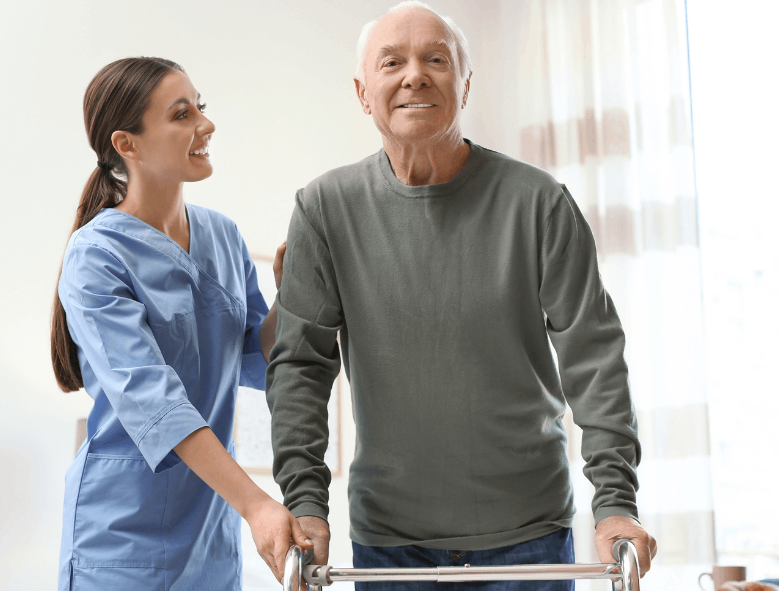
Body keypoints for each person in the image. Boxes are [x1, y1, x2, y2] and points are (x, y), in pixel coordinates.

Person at [266, 3, 657, 590]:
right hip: (389, 540)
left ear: (465, 83)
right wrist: (305, 501)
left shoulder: (539, 202)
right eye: (392, 62)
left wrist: (615, 502)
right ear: (363, 92)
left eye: (437, 60)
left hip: (529, 536)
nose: (414, 75)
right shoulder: (323, 209)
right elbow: (300, 365)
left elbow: (594, 358)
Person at [51, 57, 310, 591]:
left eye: (201, 108)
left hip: (211, 532)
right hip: (122, 539)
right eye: (182, 114)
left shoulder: (224, 236)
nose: (205, 125)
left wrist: (290, 296)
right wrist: (257, 504)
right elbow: (155, 404)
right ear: (128, 144)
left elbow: (259, 363)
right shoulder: (96, 256)